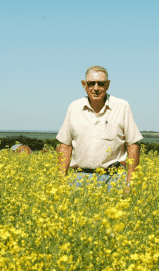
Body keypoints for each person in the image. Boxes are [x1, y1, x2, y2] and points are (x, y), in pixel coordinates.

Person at [56, 66, 143, 194]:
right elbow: (65, 145)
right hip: (78, 179)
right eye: (91, 84)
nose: (96, 88)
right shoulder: (74, 107)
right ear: (84, 85)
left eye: (101, 84)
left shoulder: (122, 107)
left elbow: (133, 145)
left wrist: (130, 183)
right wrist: (60, 182)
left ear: (108, 85)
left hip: (113, 179)